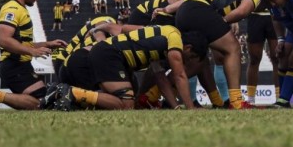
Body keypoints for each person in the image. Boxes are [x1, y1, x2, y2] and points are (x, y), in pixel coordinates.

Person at [161, 0, 263, 109]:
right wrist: (224, 22)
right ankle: (237, 102)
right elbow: (242, 11)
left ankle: (156, 93)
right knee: (233, 49)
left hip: (183, 13)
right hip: (200, 11)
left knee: (199, 60)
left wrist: (166, 9)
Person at [54, 25, 207, 111]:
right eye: (191, 57)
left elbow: (160, 77)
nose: (188, 60)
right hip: (108, 55)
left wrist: (176, 107)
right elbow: (179, 76)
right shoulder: (175, 43)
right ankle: (72, 93)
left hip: (107, 54)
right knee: (126, 105)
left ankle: (72, 96)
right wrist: (190, 108)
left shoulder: (162, 36)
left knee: (118, 104)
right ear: (187, 47)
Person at [175, 0, 229, 104]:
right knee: (192, 58)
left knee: (220, 57)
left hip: (213, 17)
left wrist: (230, 20)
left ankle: (225, 99)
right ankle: (191, 99)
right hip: (192, 19)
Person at [243, 0, 289, 105]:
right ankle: (251, 100)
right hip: (255, 17)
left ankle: (279, 98)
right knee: (254, 59)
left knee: (277, 58)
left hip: (275, 17)